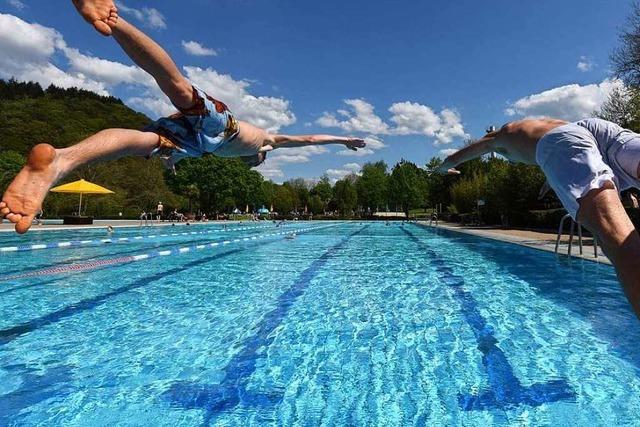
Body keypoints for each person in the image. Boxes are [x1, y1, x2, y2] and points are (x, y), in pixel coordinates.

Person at [0, 0, 366, 235]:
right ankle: (113, 18)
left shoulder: (237, 155)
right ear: (263, 157)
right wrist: (343, 139)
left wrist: (173, 160)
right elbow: (308, 140)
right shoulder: (267, 140)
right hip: (224, 128)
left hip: (196, 145)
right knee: (175, 87)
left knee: (141, 139)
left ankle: (62, 159)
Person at [438, 118, 640, 318]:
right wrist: (551, 178)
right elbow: (571, 141)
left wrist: (445, 165)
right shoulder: (535, 124)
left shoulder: (500, 137)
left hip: (564, 141)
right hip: (600, 130)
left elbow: (469, 152)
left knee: (618, 241)